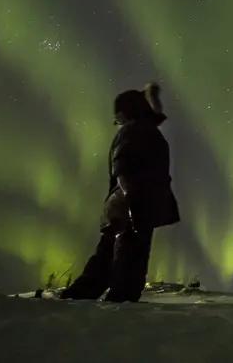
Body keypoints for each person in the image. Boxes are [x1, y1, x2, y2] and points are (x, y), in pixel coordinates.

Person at [61, 83, 180, 302]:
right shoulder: (138, 130)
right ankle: (116, 305)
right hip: (134, 205)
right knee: (129, 261)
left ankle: (78, 297)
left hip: (128, 205)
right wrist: (134, 204)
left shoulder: (138, 128)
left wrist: (150, 96)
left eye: (118, 118)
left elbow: (125, 165)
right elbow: (123, 168)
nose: (117, 123)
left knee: (108, 258)